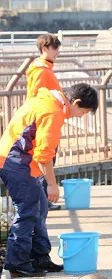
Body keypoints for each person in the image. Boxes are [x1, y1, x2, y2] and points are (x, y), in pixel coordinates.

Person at [0, 83, 98, 277]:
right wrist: (52, 185)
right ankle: (16, 263)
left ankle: (39, 257)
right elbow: (44, 155)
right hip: (16, 163)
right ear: (75, 102)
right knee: (28, 211)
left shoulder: (47, 101)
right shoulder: (52, 112)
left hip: (22, 163)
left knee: (40, 208)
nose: (81, 116)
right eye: (83, 112)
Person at [26, 34, 63, 211]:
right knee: (45, 160)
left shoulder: (43, 67)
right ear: (45, 49)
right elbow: (35, 97)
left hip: (45, 119)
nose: (57, 51)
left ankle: (43, 200)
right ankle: (43, 200)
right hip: (44, 121)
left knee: (45, 160)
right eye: (54, 48)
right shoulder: (41, 70)